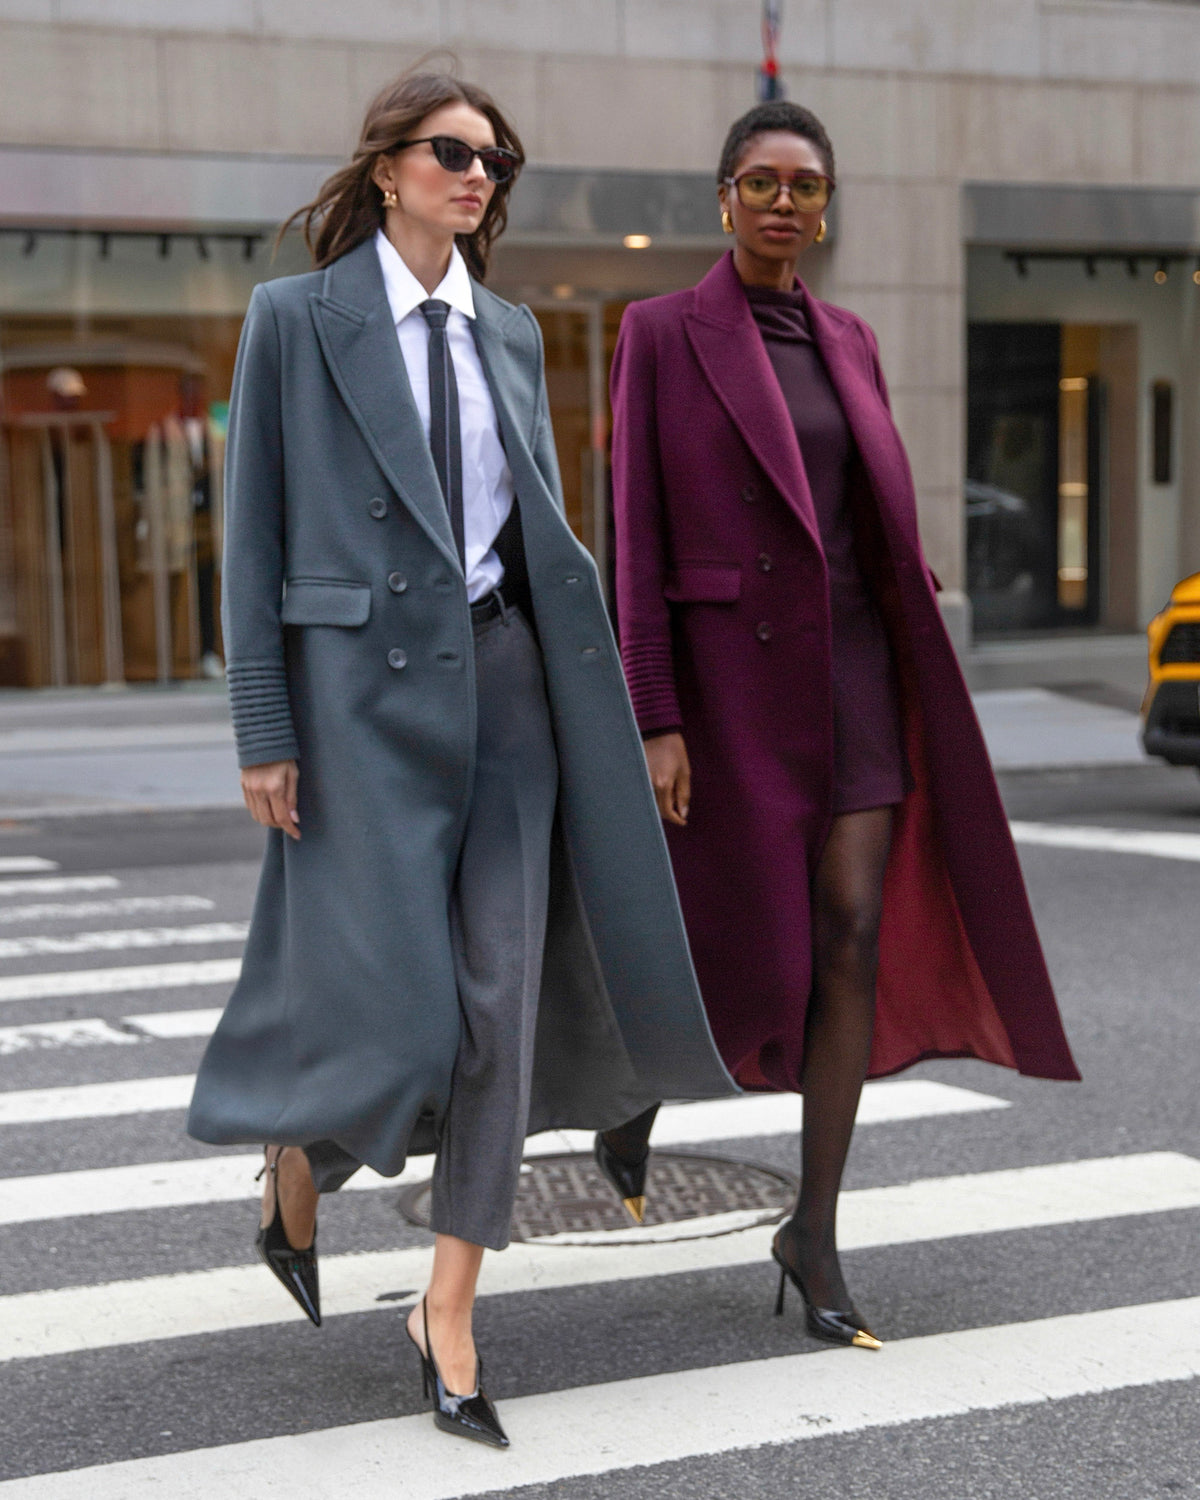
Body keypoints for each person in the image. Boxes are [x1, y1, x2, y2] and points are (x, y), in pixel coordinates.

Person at [187, 70, 732, 1450]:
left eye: (499, 159)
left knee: (501, 1007)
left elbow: (531, 516)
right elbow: (251, 544)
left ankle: (450, 1310)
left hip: (509, 692)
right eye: (454, 153)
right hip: (358, 711)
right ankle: (295, 1155)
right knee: (406, 1012)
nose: (479, 176)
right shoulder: (294, 324)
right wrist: (265, 727)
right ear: (388, 168)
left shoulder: (511, 330)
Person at [600, 101, 1079, 1351]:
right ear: (722, 199)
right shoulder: (658, 333)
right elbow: (636, 546)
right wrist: (653, 715)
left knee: (850, 931)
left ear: (825, 208)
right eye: (759, 181)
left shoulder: (850, 337)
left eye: (804, 186)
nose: (782, 201)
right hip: (725, 689)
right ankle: (635, 1085)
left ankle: (812, 1228)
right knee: (730, 927)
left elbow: (874, 519)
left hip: (855, 677)